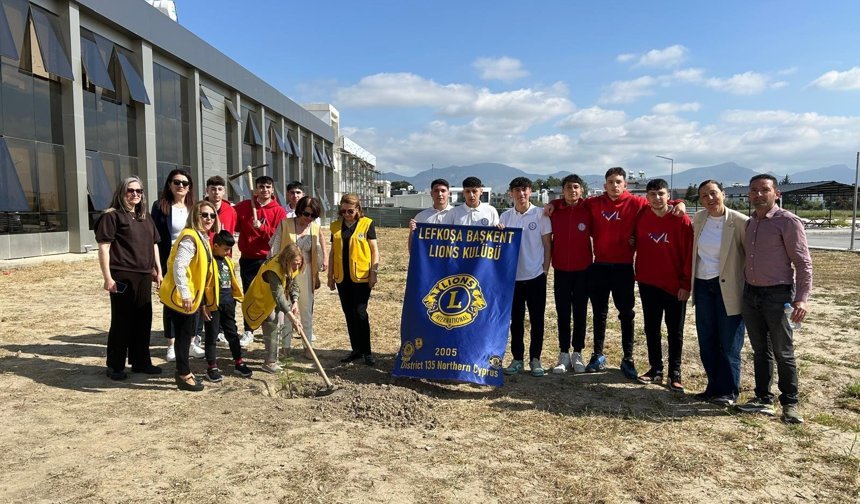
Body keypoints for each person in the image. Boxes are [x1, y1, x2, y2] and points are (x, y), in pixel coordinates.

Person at [578, 167, 685, 379]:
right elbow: (570, 204)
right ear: (604, 185)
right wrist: (552, 204)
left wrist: (678, 203)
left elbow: (659, 201)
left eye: (618, 181)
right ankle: (597, 354)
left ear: (625, 185)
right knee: (599, 313)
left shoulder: (637, 203)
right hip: (599, 266)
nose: (614, 185)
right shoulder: (594, 203)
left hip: (624, 268)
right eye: (610, 182)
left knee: (626, 314)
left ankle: (628, 358)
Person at [736, 174, 812, 424]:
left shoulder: (788, 222)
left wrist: (801, 299)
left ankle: (790, 403)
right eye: (754, 190)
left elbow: (803, 264)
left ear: (776, 193)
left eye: (764, 190)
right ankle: (762, 398)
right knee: (760, 350)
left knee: (783, 351)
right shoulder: (751, 223)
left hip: (778, 296)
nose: (758, 194)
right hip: (751, 294)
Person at [95, 176, 163, 380]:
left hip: (144, 275)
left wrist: (158, 270)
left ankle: (141, 362)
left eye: (139, 191)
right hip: (122, 274)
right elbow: (104, 248)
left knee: (143, 319)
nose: (135, 194)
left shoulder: (145, 217)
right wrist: (107, 278)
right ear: (122, 192)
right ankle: (115, 365)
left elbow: (154, 244)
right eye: (130, 190)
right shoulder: (112, 216)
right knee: (122, 320)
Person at [690, 180, 748, 406]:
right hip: (703, 286)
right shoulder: (700, 219)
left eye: (713, 193)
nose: (710, 199)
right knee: (707, 339)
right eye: (704, 196)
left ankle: (729, 391)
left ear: (723, 194)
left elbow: (749, 256)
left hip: (728, 288)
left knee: (730, 342)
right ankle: (713, 387)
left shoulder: (740, 222)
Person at [632, 179, 693, 392]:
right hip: (648, 283)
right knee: (651, 328)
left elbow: (688, 255)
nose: (657, 198)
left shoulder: (681, 219)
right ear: (646, 197)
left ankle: (674, 373)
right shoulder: (641, 217)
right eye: (652, 194)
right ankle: (655, 369)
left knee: (674, 331)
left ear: (668, 195)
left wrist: (686, 284)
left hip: (675, 285)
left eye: (661, 194)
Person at [159, 200, 220, 392]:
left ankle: (183, 371)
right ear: (195, 216)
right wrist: (185, 293)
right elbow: (179, 266)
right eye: (204, 215)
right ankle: (184, 374)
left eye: (212, 215)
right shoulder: (190, 237)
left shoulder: (202, 237)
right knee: (184, 336)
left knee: (187, 335)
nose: (209, 218)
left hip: (193, 297)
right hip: (182, 297)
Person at [500, 177, 552, 377]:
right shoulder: (504, 217)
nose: (521, 194)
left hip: (536, 275)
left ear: (530, 191)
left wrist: (545, 270)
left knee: (537, 319)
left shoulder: (541, 214)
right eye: (517, 190)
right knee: (516, 320)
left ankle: (535, 359)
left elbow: (548, 245)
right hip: (513, 278)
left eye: (524, 190)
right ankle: (517, 358)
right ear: (510, 193)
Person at [151, 169, 204, 361]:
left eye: (184, 183)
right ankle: (171, 344)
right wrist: (155, 267)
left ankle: (191, 341)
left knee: (195, 299)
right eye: (176, 182)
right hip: (170, 261)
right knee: (171, 301)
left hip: (194, 261)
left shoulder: (195, 207)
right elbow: (154, 238)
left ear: (189, 187)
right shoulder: (160, 207)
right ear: (169, 185)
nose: (180, 186)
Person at [269, 196, 328, 357]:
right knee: (287, 310)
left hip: (306, 272)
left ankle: (307, 346)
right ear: (299, 210)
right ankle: (285, 346)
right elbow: (274, 248)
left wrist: (322, 265)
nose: (309, 218)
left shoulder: (315, 228)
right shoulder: (285, 224)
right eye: (306, 214)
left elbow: (318, 251)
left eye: (313, 215)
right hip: (286, 272)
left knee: (306, 310)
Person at [234, 175, 287, 347]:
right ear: (256, 189)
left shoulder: (278, 211)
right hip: (248, 259)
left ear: (272, 189)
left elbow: (279, 235)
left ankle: (272, 330)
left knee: (269, 296)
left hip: (269, 260)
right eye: (261, 186)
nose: (264, 190)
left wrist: (262, 227)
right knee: (250, 295)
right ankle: (248, 330)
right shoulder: (244, 206)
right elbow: (232, 222)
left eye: (268, 187)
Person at [547, 174, 592, 374]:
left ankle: (578, 353)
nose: (572, 191)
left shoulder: (589, 209)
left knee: (580, 313)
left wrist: (677, 202)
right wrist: (554, 203)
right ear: (562, 190)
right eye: (567, 187)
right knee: (563, 313)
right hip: (561, 271)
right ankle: (564, 354)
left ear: (581, 190)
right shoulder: (554, 211)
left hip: (583, 271)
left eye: (575, 187)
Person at [328, 194, 379, 365]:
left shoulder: (367, 224)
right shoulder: (335, 226)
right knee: (349, 313)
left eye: (350, 210)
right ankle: (356, 349)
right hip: (343, 277)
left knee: (360, 312)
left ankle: (367, 351)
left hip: (362, 277)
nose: (346, 214)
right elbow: (333, 252)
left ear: (358, 209)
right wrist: (330, 276)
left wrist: (374, 272)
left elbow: (374, 250)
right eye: (343, 211)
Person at [242, 243, 303, 373]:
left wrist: (295, 301)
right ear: (287, 260)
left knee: (278, 324)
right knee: (272, 324)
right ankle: (269, 362)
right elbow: (279, 296)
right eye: (294, 263)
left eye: (299, 263)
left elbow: (293, 283)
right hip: (260, 299)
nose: (296, 266)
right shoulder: (273, 269)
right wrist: (293, 320)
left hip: (272, 300)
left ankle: (273, 359)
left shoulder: (292, 265)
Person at [201, 230, 253, 382]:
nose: (228, 252)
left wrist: (234, 299)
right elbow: (202, 285)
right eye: (225, 249)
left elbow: (232, 281)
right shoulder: (207, 261)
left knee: (232, 333)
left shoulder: (228, 261)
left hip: (228, 303)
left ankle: (238, 361)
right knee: (211, 335)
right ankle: (212, 366)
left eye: (229, 249)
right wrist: (204, 305)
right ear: (215, 246)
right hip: (213, 306)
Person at [408, 178, 454, 250]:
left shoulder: (458, 215)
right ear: (431, 193)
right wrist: (412, 231)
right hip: (429, 260)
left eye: (443, 191)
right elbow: (413, 248)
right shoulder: (421, 217)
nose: (439, 194)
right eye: (436, 191)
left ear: (449, 194)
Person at [205, 175, 236, 246]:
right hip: (205, 252)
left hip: (223, 254)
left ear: (224, 191)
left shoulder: (231, 211)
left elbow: (231, 232)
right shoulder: (199, 209)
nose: (216, 192)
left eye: (219, 189)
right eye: (213, 189)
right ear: (207, 190)